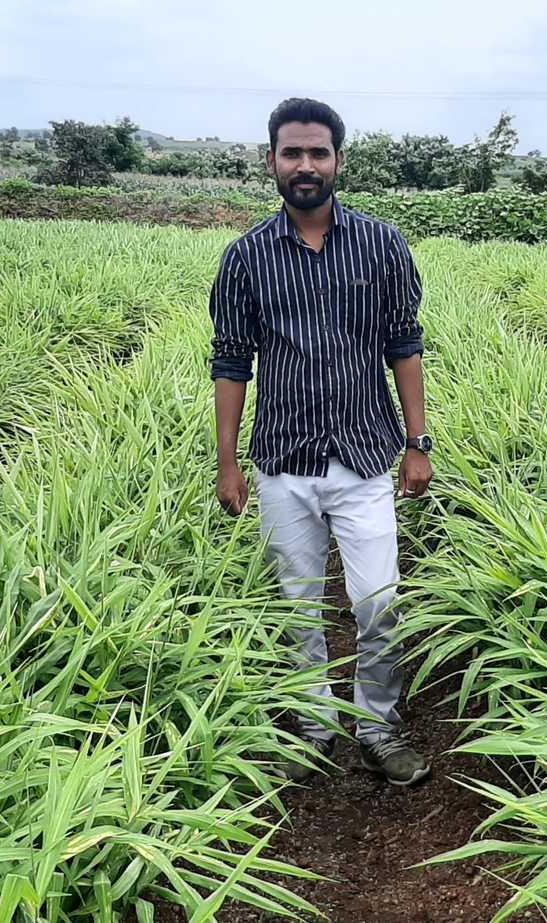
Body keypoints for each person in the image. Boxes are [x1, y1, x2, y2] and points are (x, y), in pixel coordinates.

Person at [209, 98, 434, 786]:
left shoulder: (382, 245)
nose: (305, 165)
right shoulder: (246, 258)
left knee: (379, 601)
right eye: (292, 153)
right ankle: (312, 725)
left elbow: (405, 345)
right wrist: (227, 462)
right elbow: (231, 362)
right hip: (284, 461)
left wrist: (418, 441)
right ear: (271, 161)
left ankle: (377, 726)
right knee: (297, 607)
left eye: (317, 152)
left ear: (338, 160)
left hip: (365, 456)